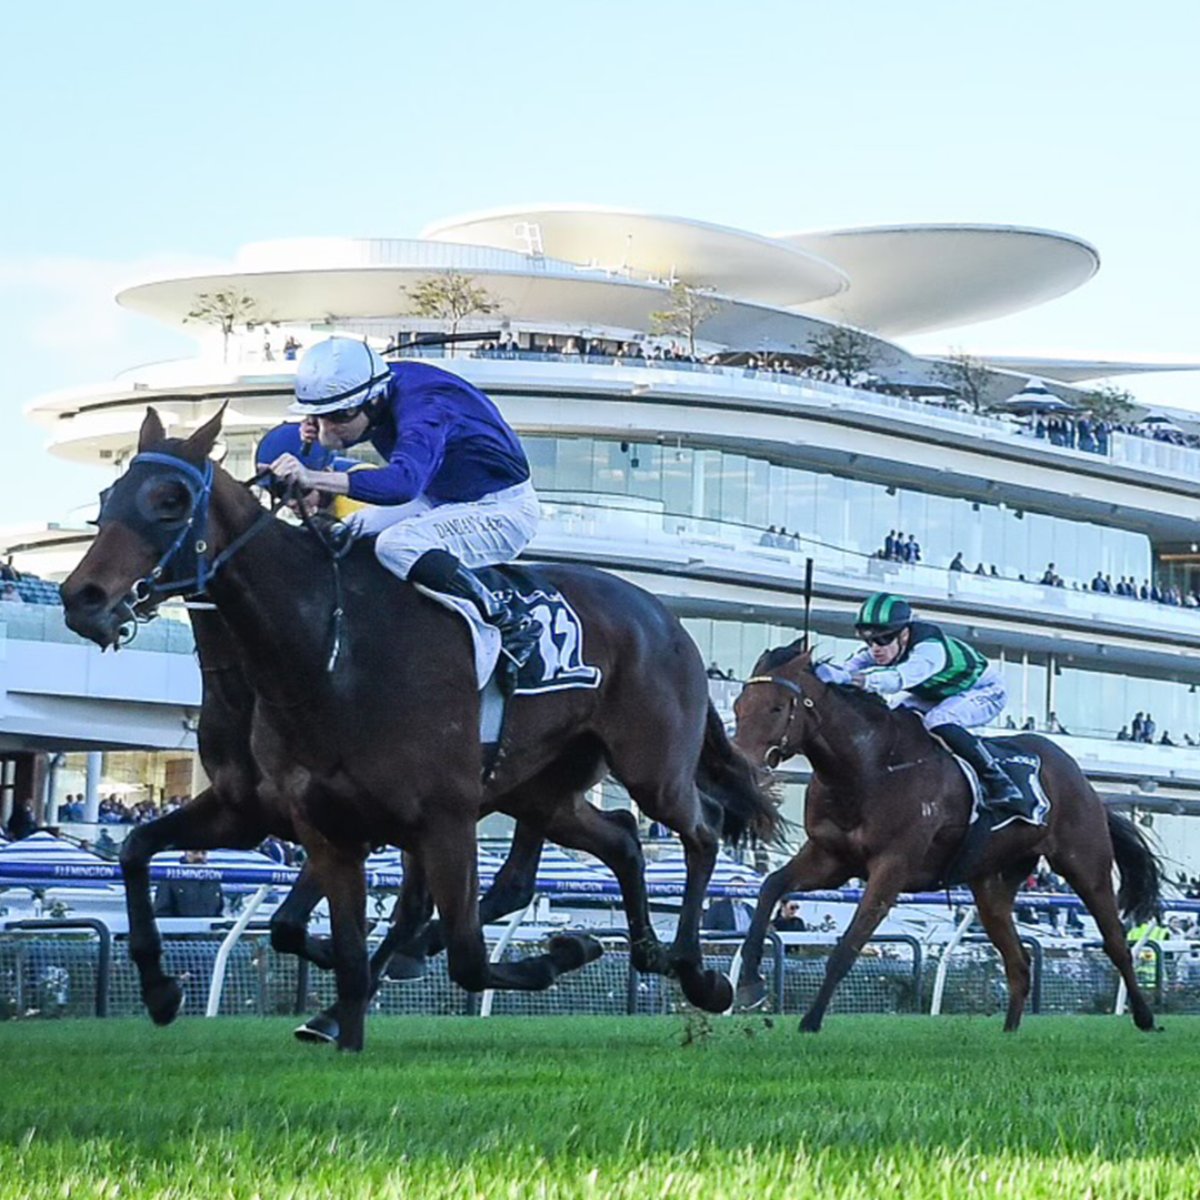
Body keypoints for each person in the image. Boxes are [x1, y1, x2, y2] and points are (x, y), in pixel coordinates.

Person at [269, 337, 542, 681]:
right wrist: (323, 428)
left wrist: (313, 476)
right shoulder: (376, 388)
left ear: (372, 400)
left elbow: (402, 484)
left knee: (396, 545)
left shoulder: (425, 407)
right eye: (319, 415)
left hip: (501, 509)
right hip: (441, 496)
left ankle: (506, 621)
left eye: (336, 415)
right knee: (345, 534)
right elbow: (347, 434)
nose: (328, 425)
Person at [817, 593, 1021, 809]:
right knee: (894, 714)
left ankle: (998, 780)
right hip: (939, 693)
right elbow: (846, 669)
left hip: (984, 689)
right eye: (869, 640)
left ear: (904, 634)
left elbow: (898, 679)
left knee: (938, 719)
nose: (875, 647)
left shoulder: (930, 650)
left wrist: (851, 679)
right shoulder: (880, 648)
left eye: (883, 639)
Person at [152, 849, 224, 917]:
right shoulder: (170, 878)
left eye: (203, 853)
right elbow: (161, 912)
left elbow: (219, 910)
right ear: (186, 852)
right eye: (195, 852)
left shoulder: (213, 880)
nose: (199, 856)